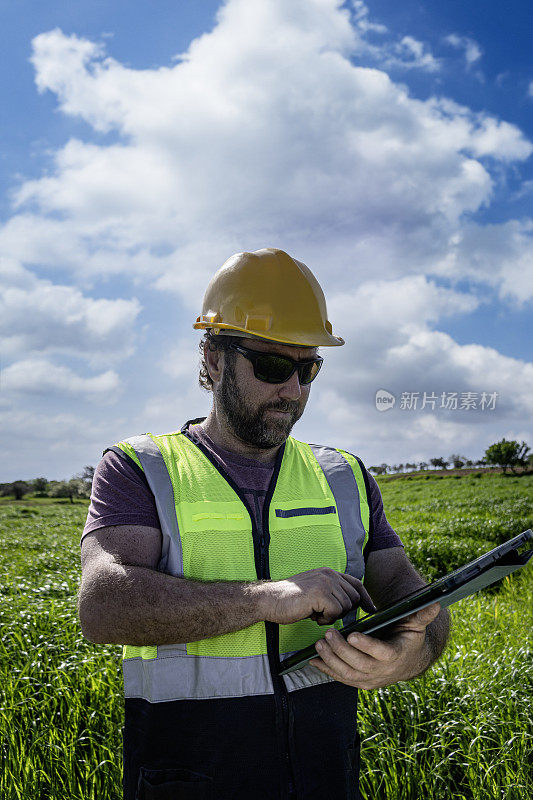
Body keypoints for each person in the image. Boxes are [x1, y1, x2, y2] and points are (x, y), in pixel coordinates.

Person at [78, 248, 450, 800]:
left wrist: (411, 654)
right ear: (213, 358)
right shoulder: (142, 468)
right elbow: (104, 608)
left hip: (326, 775)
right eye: (274, 367)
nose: (295, 391)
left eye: (309, 369)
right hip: (189, 780)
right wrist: (266, 600)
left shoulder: (345, 476)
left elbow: (413, 598)